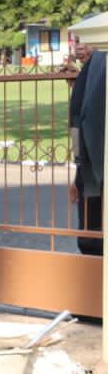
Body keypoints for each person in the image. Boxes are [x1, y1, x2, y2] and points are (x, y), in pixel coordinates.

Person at [67, 36, 104, 256]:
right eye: (77, 42)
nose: (79, 47)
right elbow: (77, 128)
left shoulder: (100, 69)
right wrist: (78, 175)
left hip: (99, 168)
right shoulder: (87, 74)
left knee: (94, 238)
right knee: (89, 237)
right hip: (87, 169)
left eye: (86, 41)